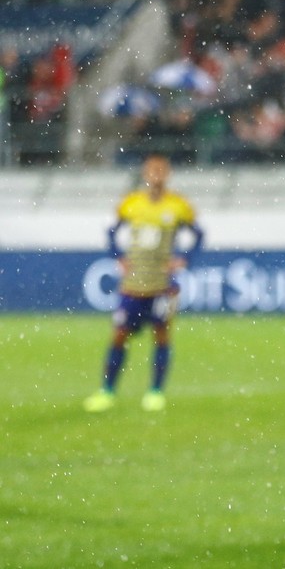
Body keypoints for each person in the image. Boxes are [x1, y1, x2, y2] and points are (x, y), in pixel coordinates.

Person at [83, 153, 204, 413]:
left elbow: (199, 234)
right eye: (152, 171)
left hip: (162, 284)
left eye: (161, 170)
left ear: (168, 174)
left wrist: (185, 259)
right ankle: (107, 391)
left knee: (161, 335)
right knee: (118, 336)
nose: (157, 175)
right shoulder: (132, 203)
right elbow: (112, 232)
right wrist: (118, 257)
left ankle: (156, 391)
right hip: (133, 283)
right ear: (145, 174)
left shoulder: (178, 205)